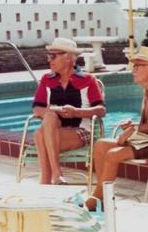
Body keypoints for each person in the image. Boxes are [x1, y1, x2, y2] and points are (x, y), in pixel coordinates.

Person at [86, 46, 148, 209]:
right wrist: (133, 127)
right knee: (101, 145)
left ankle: (97, 199)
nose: (133, 69)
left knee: (113, 155)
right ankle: (101, 196)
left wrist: (135, 130)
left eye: (138, 65)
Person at [32, 37, 106, 185]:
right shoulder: (47, 79)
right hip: (53, 128)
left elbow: (101, 110)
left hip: (80, 131)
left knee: (40, 135)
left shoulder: (88, 79)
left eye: (53, 56)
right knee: (49, 117)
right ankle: (56, 174)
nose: (49, 60)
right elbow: (36, 108)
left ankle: (45, 180)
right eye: (49, 56)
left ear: (68, 57)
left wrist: (76, 112)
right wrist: (49, 112)